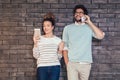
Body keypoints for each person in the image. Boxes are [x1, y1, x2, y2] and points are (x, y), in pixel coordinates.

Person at [62, 4, 105, 80]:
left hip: (86, 63)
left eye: (80, 12)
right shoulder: (67, 28)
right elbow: (65, 47)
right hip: (72, 64)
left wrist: (89, 22)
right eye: (76, 12)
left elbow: (101, 36)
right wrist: (67, 64)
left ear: (85, 15)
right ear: (74, 15)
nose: (78, 14)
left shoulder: (89, 28)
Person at [33, 12, 64, 80]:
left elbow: (59, 57)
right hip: (42, 67)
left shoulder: (58, 40)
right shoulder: (39, 38)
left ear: (52, 27)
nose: (45, 28)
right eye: (44, 26)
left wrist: (60, 50)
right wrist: (35, 43)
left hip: (55, 67)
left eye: (48, 25)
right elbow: (36, 56)